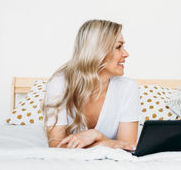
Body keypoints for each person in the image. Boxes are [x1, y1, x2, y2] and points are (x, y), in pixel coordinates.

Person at [43, 20, 140, 149]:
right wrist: (106, 143)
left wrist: (96, 135)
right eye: (118, 47)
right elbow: (56, 146)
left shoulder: (128, 88)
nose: (126, 54)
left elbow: (128, 147)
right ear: (97, 51)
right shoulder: (59, 84)